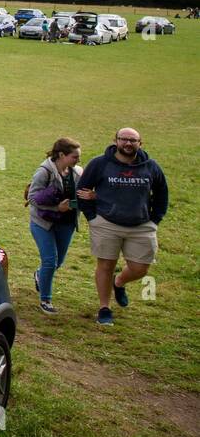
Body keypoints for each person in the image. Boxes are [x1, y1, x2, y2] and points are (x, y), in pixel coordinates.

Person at [77, 128, 168, 326]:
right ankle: (104, 308)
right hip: (106, 223)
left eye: (133, 140)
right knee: (105, 265)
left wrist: (155, 220)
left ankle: (118, 283)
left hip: (142, 225)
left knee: (140, 268)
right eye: (124, 139)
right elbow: (82, 190)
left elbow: (162, 194)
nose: (128, 143)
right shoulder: (100, 163)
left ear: (140, 143)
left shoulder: (151, 167)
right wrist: (92, 217)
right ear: (116, 141)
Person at [27, 138, 82, 315]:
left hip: (66, 224)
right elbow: (32, 198)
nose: (78, 160)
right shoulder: (43, 172)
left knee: (59, 261)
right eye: (75, 156)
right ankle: (46, 299)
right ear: (61, 155)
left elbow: (78, 197)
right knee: (50, 261)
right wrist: (56, 207)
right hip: (43, 223)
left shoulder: (77, 172)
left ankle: (39, 275)